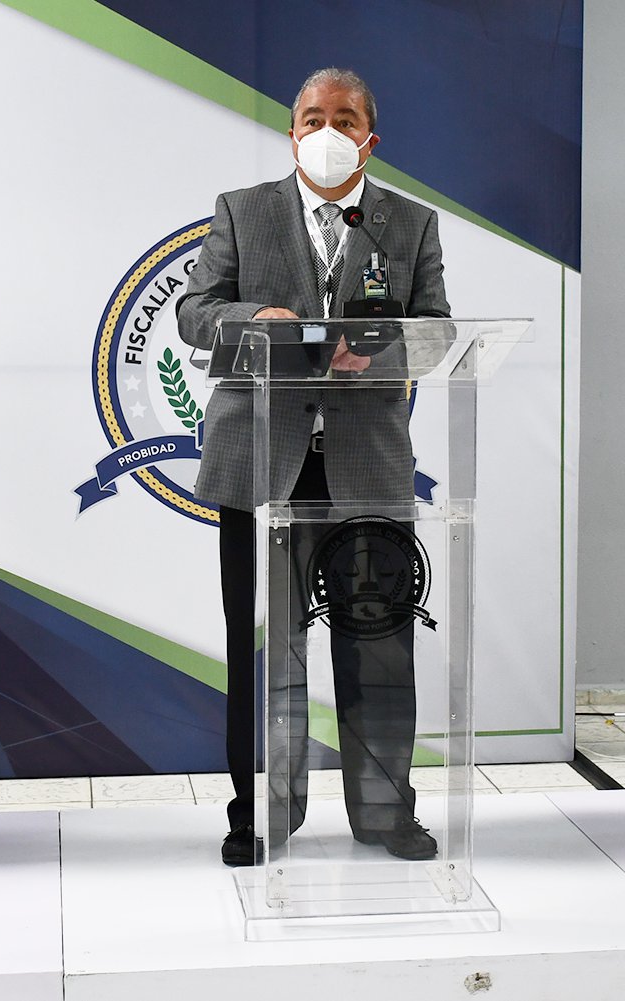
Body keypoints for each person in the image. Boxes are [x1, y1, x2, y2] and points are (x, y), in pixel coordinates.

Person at [177, 67, 449, 867]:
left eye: (345, 118)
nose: (327, 131)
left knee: (380, 651)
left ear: (371, 138)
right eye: (312, 118)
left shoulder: (411, 222)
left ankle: (386, 811)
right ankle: (261, 812)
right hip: (261, 463)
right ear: (292, 132)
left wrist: (381, 348)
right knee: (266, 648)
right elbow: (194, 313)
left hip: (369, 466)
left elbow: (437, 329)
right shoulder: (242, 210)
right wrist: (253, 317)